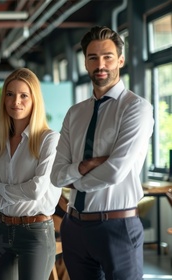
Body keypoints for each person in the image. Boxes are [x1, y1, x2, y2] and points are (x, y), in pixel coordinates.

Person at [50, 25, 154, 280]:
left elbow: (115, 171)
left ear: (120, 59)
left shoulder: (136, 109)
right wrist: (86, 166)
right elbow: (55, 175)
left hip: (117, 226)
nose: (100, 64)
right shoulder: (75, 113)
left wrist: (73, 179)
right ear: (85, 63)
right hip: (73, 226)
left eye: (107, 56)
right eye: (93, 57)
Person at [0, 68, 61, 279]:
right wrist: (1, 192)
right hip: (0, 230)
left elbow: (36, 190)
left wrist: (0, 188)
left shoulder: (49, 140)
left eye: (24, 95)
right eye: (10, 94)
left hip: (35, 232)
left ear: (34, 100)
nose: (16, 101)